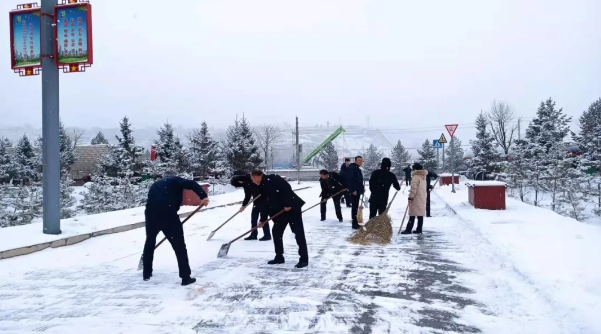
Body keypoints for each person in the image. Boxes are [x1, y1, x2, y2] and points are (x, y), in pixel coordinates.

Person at [143, 170, 209, 285]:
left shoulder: (155, 184)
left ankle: (146, 273)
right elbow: (192, 184)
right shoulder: (176, 180)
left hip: (150, 214)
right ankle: (185, 277)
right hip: (168, 214)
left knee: (150, 241)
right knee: (179, 246)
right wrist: (203, 196)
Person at [251, 169, 308, 268]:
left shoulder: (273, 178)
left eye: (252, 178)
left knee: (298, 233)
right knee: (276, 232)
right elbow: (264, 204)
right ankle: (279, 257)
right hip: (280, 212)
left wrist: (288, 203)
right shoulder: (259, 187)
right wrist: (263, 220)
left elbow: (287, 188)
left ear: (257, 176)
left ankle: (304, 259)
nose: (252, 180)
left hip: (292, 209)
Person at [230, 171, 271, 241]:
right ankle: (253, 234)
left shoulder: (253, 178)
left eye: (239, 183)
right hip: (256, 202)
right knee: (254, 218)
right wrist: (243, 206)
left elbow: (264, 187)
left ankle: (267, 235)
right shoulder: (245, 184)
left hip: (264, 200)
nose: (240, 184)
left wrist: (263, 193)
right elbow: (247, 196)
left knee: (263, 218)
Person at [401, 163, 428, 234]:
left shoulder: (416, 176)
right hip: (422, 196)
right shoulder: (423, 176)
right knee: (420, 214)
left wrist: (410, 197)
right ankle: (419, 229)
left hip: (416, 197)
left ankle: (408, 229)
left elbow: (413, 188)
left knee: (412, 214)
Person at [347, 156, 365, 229]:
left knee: (356, 206)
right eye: (359, 160)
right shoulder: (352, 168)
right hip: (354, 191)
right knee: (354, 207)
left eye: (361, 161)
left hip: (357, 190)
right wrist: (353, 190)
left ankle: (355, 222)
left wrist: (362, 188)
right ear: (355, 161)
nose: (361, 162)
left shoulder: (357, 168)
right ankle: (354, 224)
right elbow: (351, 180)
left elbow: (359, 181)